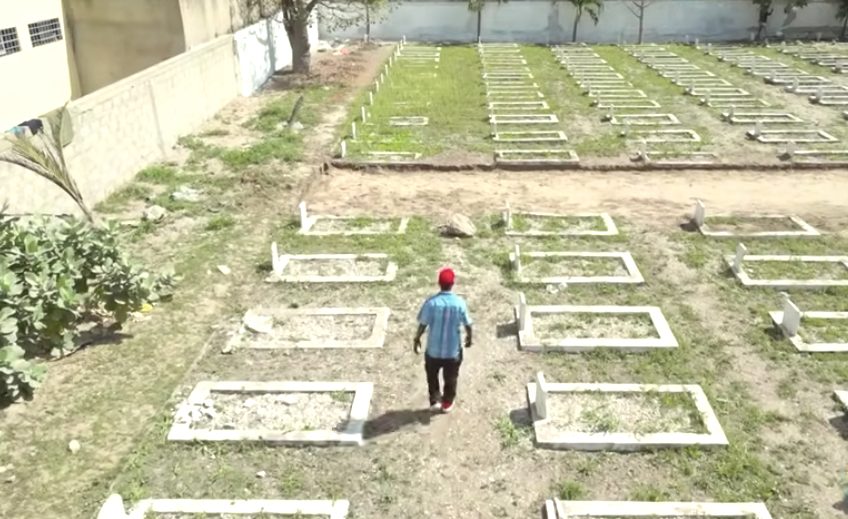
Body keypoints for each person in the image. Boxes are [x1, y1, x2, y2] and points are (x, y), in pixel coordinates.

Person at [413, 267, 473, 414]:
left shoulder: (432, 303)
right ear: (453, 283)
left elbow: (423, 323)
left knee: (432, 376)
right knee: (451, 378)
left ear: (439, 283)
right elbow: (468, 324)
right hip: (452, 352)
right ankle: (447, 402)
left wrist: (417, 338)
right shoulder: (459, 303)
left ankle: (435, 400)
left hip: (433, 351)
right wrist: (469, 337)